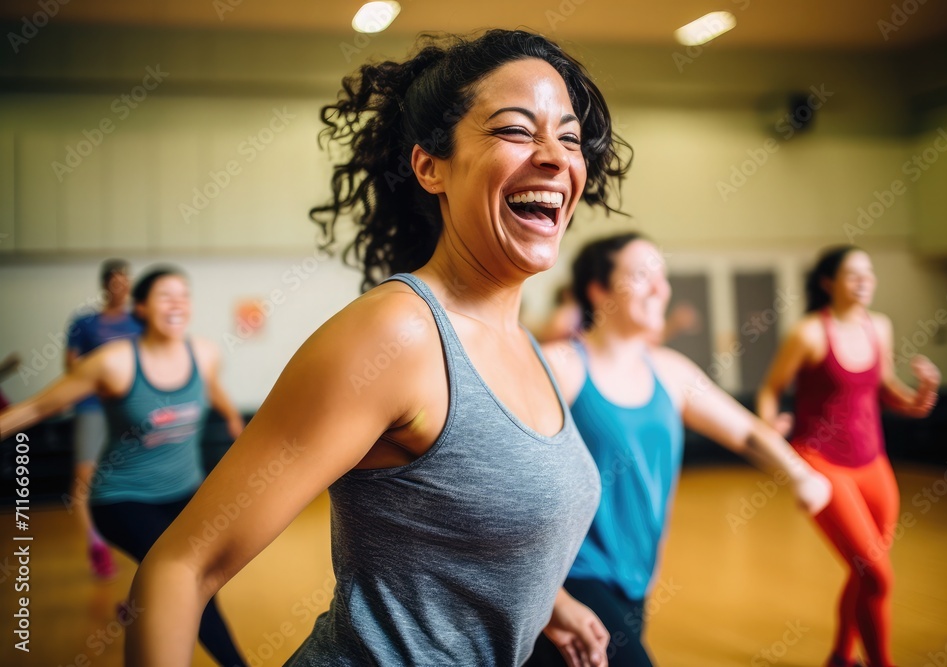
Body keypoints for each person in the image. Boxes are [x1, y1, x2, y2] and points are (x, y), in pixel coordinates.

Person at [126, 29, 632, 667]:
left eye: (568, 136)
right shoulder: (399, 335)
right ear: (431, 167)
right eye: (514, 130)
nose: (556, 157)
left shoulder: (523, 341)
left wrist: (548, 601)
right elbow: (178, 566)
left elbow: (460, 534)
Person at [524, 233, 832, 666]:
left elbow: (746, 432)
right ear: (599, 289)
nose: (660, 288)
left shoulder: (670, 373)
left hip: (637, 577)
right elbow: (507, 475)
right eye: (641, 276)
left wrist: (798, 472)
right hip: (571, 579)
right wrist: (551, 595)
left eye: (662, 276)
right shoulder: (562, 365)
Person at [0, 266, 248, 667]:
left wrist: (233, 417)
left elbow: (212, 385)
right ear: (142, 308)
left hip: (185, 493)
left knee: (176, 576)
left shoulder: (204, 353)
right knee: (186, 579)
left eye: (183, 295)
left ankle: (139, 606)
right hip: (122, 498)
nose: (177, 303)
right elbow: (39, 406)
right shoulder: (114, 363)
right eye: (165, 295)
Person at [757, 246, 940, 667]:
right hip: (821, 462)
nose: (865, 281)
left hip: (874, 462)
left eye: (869, 273)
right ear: (828, 283)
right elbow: (770, 388)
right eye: (853, 274)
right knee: (878, 576)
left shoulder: (880, 327)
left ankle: (841, 657)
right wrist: (769, 427)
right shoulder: (809, 334)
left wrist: (921, 395)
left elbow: (884, 384)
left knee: (865, 572)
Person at [64, 259, 144, 579]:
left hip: (128, 409)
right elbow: (72, 368)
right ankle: (96, 544)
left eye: (126, 281)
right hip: (92, 407)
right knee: (85, 477)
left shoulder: (139, 322)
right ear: (105, 285)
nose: (121, 287)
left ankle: (142, 554)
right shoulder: (85, 323)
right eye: (115, 281)